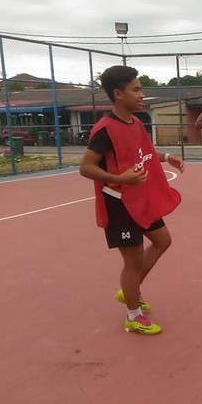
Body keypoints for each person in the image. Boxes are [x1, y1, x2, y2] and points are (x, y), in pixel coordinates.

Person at [79, 65, 184, 335]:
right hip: (118, 203)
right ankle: (133, 316)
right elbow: (85, 167)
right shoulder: (105, 130)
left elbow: (142, 153)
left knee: (163, 241)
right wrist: (120, 178)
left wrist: (166, 157)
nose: (142, 95)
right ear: (118, 94)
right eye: (136, 90)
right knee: (133, 261)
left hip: (140, 199)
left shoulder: (135, 123)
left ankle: (130, 290)